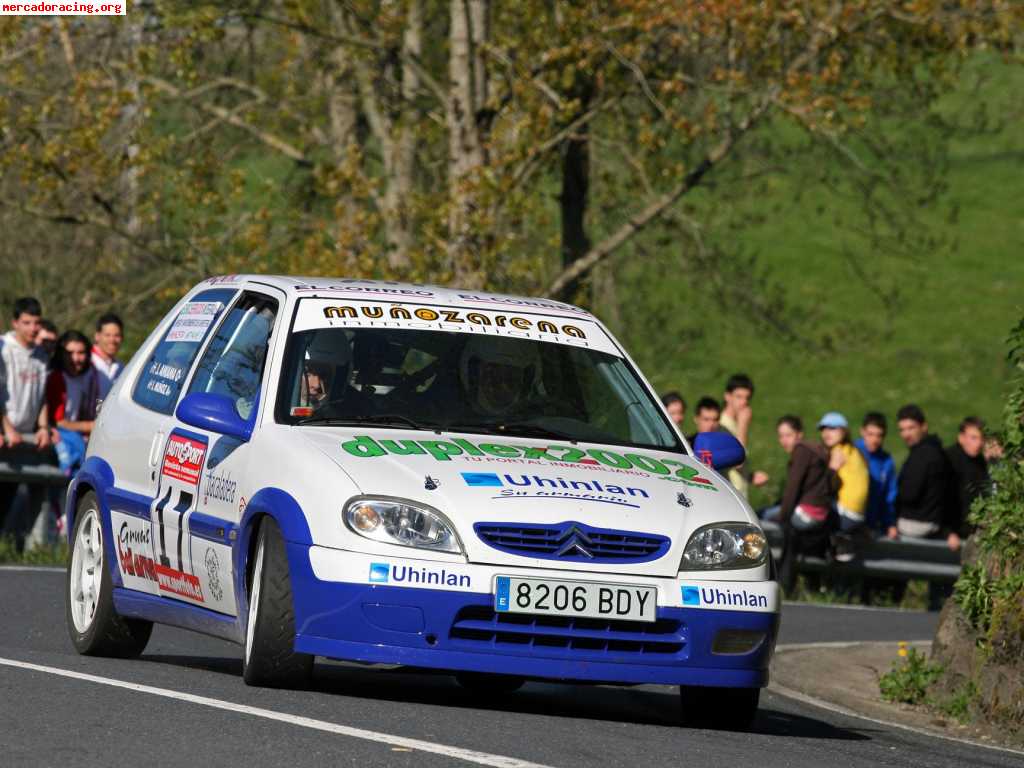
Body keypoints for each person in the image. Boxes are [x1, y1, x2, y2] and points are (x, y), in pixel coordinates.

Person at [0, 297, 53, 549]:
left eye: (36, 323)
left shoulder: (41, 355)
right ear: (15, 322)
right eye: (27, 322)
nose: (33, 328)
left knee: (14, 499)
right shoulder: (4, 348)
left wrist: (43, 427)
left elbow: (42, 396)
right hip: (6, 432)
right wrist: (6, 427)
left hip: (28, 437)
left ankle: (24, 548)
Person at [895, 404, 958, 610]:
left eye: (911, 428)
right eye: (902, 429)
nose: (906, 434)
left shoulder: (922, 456)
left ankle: (885, 595)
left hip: (916, 522)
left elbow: (909, 494)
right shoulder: (937, 451)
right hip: (935, 523)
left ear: (924, 427)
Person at [769, 415, 838, 595]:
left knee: (765, 516)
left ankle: (776, 578)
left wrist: (782, 516)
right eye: (781, 436)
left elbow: (793, 487)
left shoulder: (801, 450)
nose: (784, 440)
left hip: (805, 513)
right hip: (820, 514)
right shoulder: (818, 451)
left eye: (788, 435)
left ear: (799, 435)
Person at [818, 412, 869, 532]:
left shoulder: (838, 451)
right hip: (859, 515)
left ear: (844, 431)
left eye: (832, 428)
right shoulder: (855, 451)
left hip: (844, 514)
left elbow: (826, 485)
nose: (826, 433)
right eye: (823, 428)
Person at [718, 373, 768, 497]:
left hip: (739, 493)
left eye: (747, 398)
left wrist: (750, 476)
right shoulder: (722, 425)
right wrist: (743, 425)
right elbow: (738, 460)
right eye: (739, 397)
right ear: (727, 397)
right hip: (729, 495)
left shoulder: (734, 423)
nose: (744, 402)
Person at [946, 416, 990, 537]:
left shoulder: (982, 462)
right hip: (952, 531)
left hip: (972, 530)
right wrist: (948, 531)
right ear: (961, 437)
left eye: (982, 438)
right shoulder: (948, 459)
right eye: (973, 438)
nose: (979, 443)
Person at [92, 312, 124, 400]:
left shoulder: (122, 368)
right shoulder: (85, 362)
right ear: (97, 336)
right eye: (107, 335)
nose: (112, 340)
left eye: (117, 335)